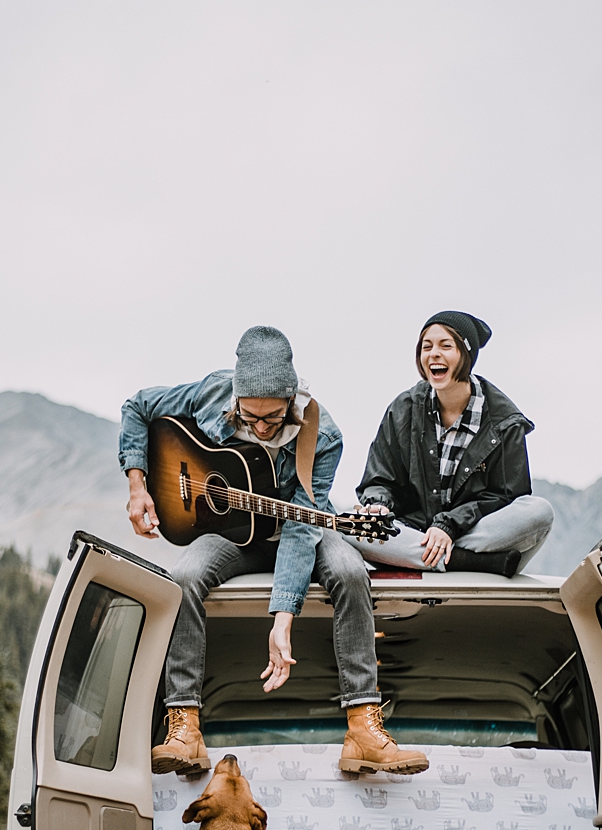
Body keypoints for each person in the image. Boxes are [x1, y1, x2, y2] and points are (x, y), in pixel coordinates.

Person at [119, 325, 428, 779]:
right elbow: (138, 407)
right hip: (231, 533)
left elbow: (303, 530)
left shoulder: (321, 437)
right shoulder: (210, 393)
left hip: (301, 530)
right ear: (236, 397)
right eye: (249, 416)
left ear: (291, 400)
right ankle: (185, 727)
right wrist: (138, 485)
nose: (261, 426)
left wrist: (282, 619)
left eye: (273, 417)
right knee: (182, 578)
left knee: (348, 570)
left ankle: (362, 727)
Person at [352, 310, 554, 575]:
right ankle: (463, 561)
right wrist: (378, 504)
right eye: (427, 347)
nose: (434, 353)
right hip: (413, 528)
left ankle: (432, 556)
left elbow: (506, 496)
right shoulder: (403, 409)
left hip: (471, 529)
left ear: (466, 355)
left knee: (539, 512)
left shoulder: (504, 421)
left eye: (445, 346)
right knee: (348, 526)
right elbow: (380, 479)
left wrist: (449, 525)